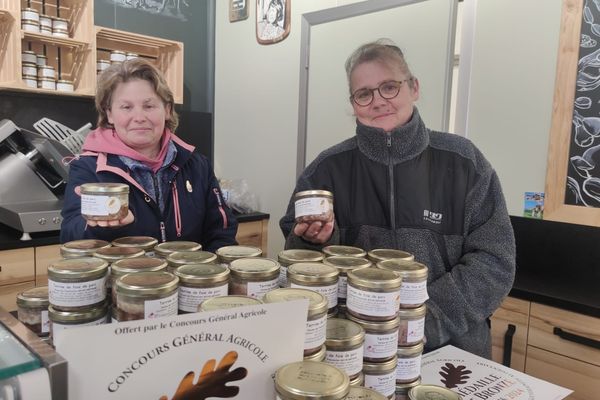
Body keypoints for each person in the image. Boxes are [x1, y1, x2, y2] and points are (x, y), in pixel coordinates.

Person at [280, 39, 516, 358]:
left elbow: (494, 262)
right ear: (353, 102)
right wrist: (312, 243)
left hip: (451, 351)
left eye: (389, 87)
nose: (378, 101)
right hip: (355, 351)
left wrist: (420, 321)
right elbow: (296, 260)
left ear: (413, 87)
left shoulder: (464, 163)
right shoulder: (325, 170)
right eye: (364, 94)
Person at [60, 58, 237, 252]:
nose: (139, 117)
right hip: (120, 281)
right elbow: (70, 237)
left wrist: (212, 275)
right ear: (110, 114)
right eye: (126, 107)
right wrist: (101, 228)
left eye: (149, 106)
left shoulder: (197, 165)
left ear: (167, 110)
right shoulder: (89, 168)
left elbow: (221, 233)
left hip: (189, 279)